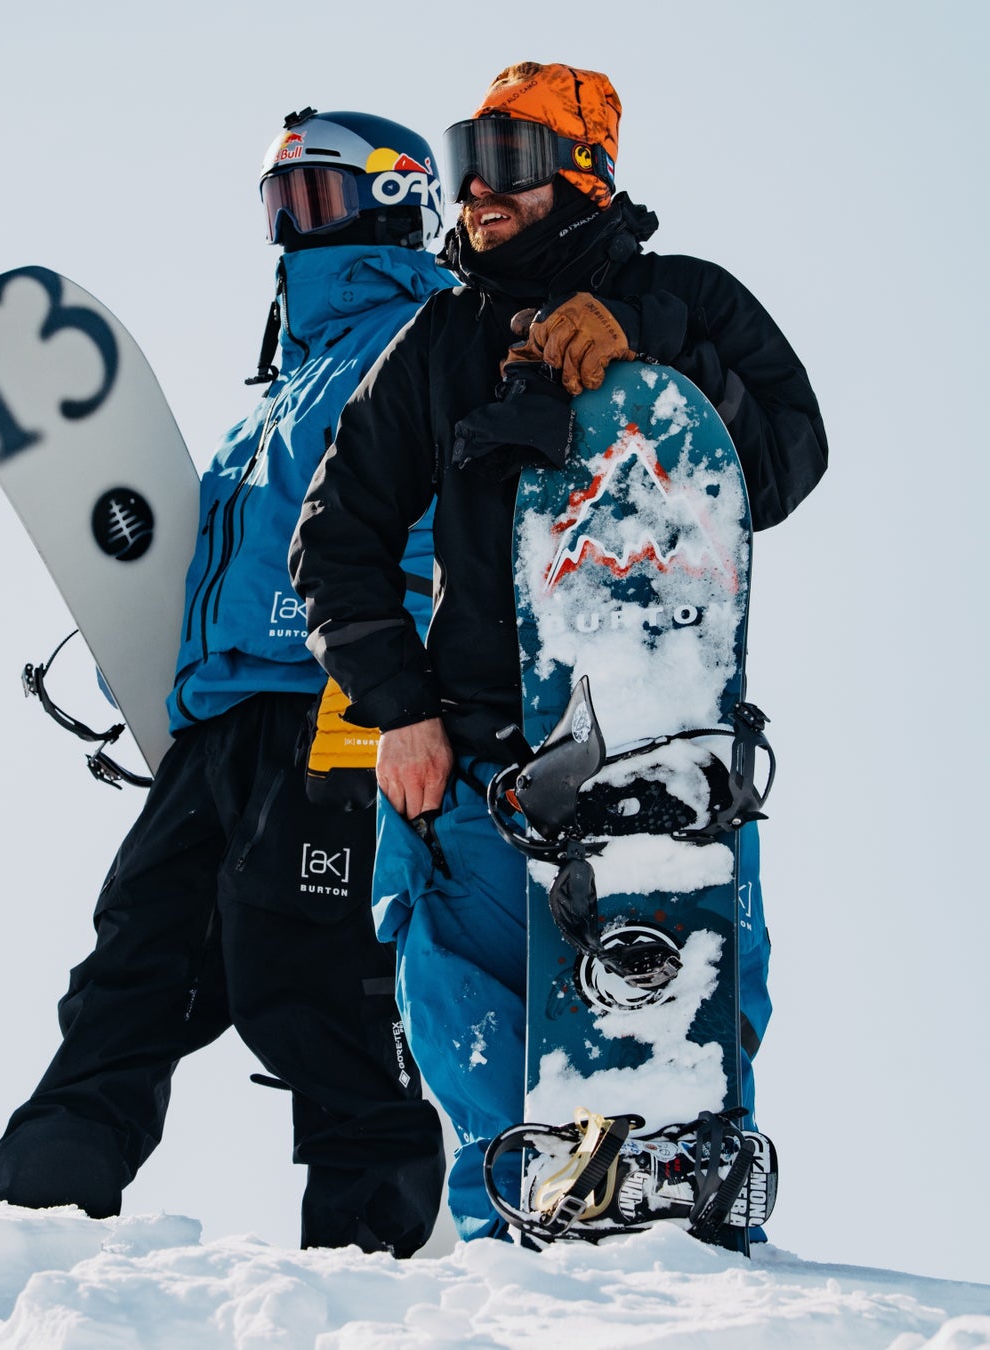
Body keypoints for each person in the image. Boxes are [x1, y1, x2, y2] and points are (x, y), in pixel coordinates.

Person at [289, 62, 828, 1239]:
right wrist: (400, 710)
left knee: (681, 1019)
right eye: (464, 156)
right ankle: (523, 1276)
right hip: (482, 763)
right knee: (470, 1025)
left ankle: (685, 1259)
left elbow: (785, 464)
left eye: (512, 159)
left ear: (581, 175)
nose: (477, 187)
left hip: (668, 769)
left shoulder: (690, 298)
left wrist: (651, 345)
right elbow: (334, 539)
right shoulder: (439, 343)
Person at [0, 111, 454, 1256]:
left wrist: (405, 680)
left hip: (335, 704)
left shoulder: (426, 348)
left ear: (400, 201)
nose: (295, 225)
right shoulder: (274, 393)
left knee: (317, 971)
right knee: (131, 961)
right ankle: (31, 1219)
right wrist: (152, 656)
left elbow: (438, 521)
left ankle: (371, 1255)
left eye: (321, 198)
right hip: (219, 728)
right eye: (279, 202)